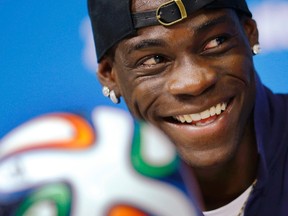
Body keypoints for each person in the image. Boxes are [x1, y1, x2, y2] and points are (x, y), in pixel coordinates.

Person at [87, 0, 288, 215]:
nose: (194, 82)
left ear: (250, 34)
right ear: (110, 75)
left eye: (215, 42)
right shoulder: (93, 201)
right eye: (154, 60)